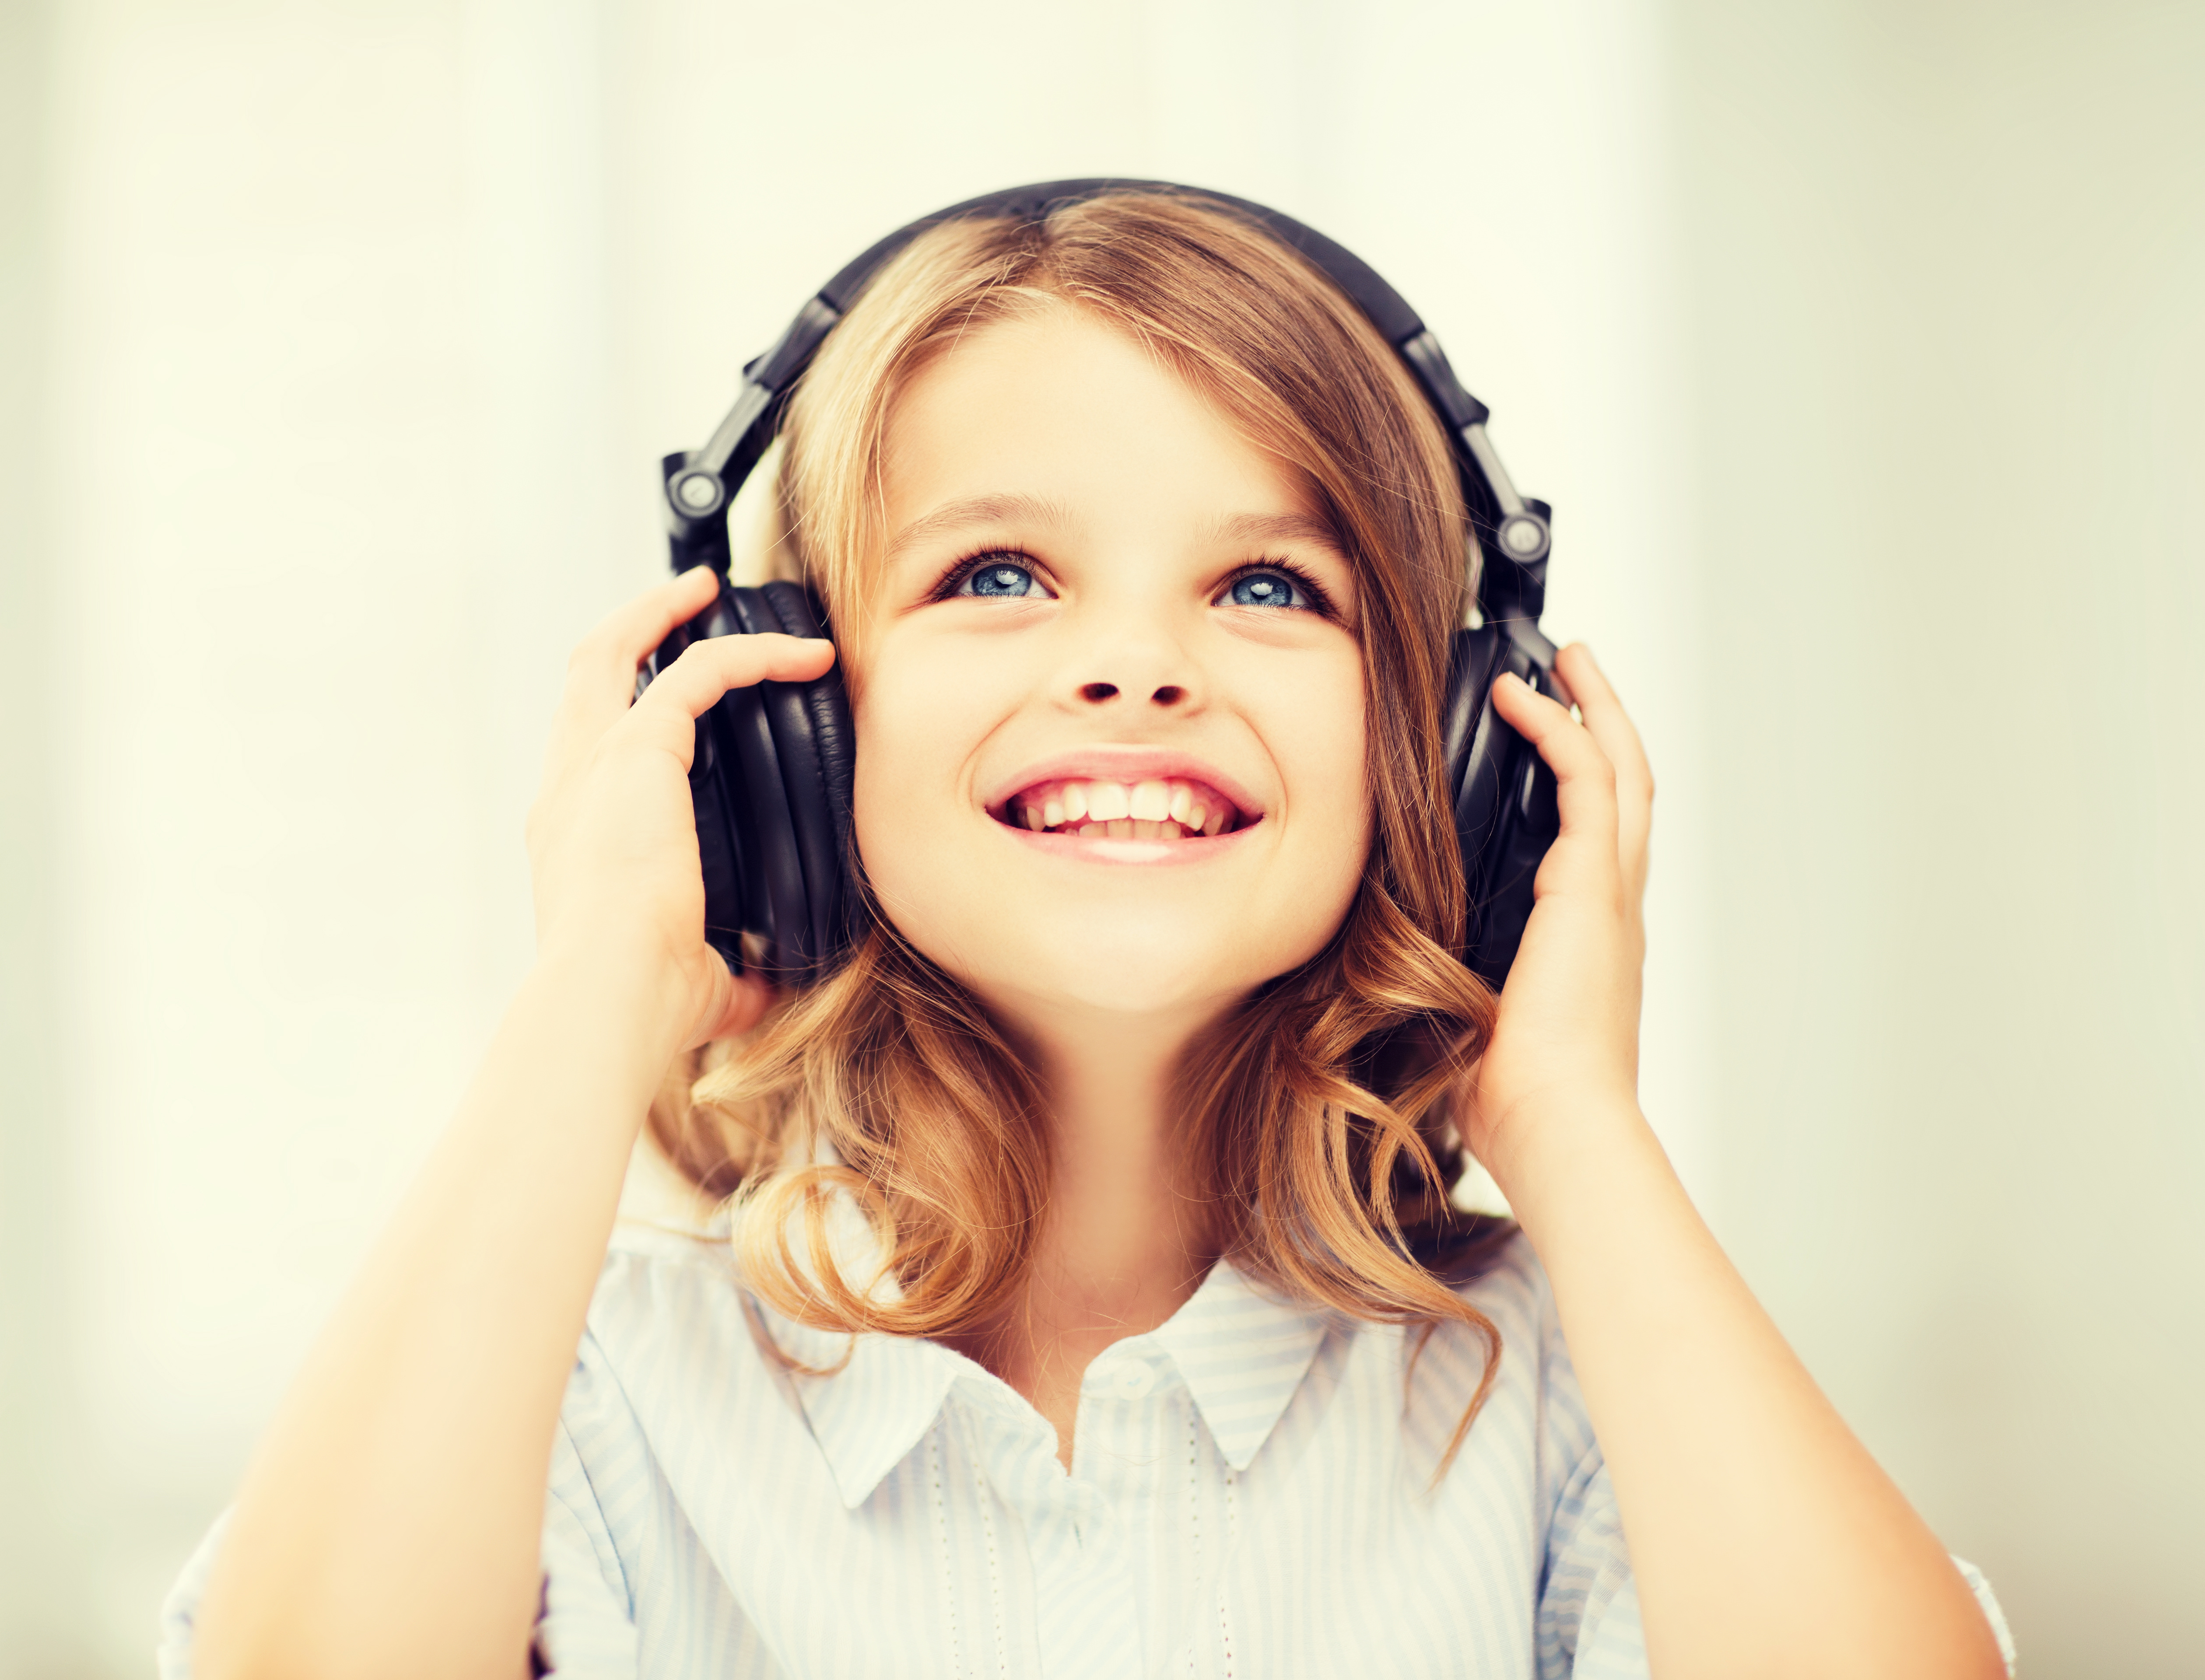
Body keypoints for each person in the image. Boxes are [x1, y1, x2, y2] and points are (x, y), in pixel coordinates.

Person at [160, 190, 2013, 1678]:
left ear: (1445, 755)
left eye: (1268, 584)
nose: (1134, 661)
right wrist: (599, 988)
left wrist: (1573, 1124)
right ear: (781, 730)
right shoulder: (584, 1401)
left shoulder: (1565, 1400)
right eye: (997, 574)